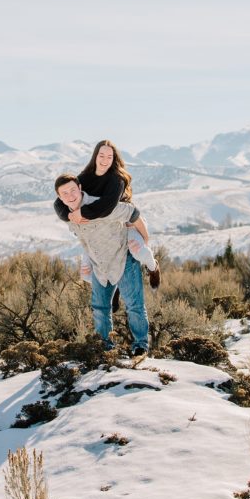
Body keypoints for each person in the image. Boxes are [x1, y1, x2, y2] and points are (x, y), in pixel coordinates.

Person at [55, 173, 150, 356]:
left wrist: (145, 239)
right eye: (64, 193)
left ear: (80, 189)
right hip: (100, 266)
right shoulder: (70, 218)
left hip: (124, 259)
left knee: (134, 305)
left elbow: (133, 212)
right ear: (60, 198)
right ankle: (105, 347)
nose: (70, 195)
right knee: (100, 308)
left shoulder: (102, 206)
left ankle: (140, 346)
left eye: (73, 190)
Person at [53, 140, 160, 290]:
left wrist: (81, 213)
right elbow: (59, 202)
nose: (104, 160)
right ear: (95, 156)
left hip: (125, 223)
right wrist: (69, 216)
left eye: (109, 157)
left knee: (139, 252)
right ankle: (113, 291)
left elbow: (107, 206)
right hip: (99, 229)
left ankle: (153, 267)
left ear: (114, 159)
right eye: (101, 155)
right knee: (86, 272)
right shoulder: (84, 178)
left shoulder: (117, 179)